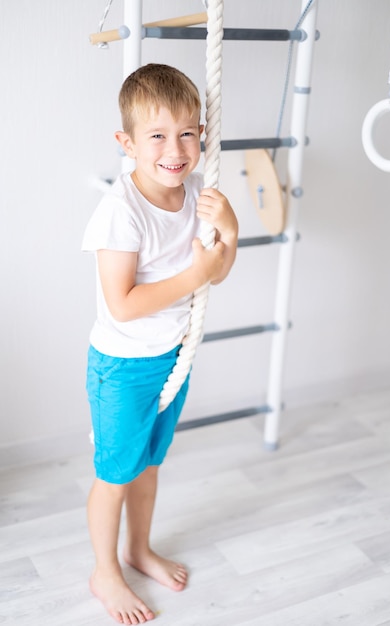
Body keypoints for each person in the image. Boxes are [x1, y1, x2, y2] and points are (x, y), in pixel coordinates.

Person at [82, 63, 238, 625]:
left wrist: (232, 229)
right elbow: (122, 303)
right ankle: (105, 571)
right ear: (126, 143)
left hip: (170, 358)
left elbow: (216, 270)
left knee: (148, 467)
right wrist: (195, 277)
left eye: (188, 133)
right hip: (123, 367)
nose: (176, 148)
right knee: (115, 474)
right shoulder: (120, 213)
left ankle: (138, 548)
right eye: (157, 135)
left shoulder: (195, 191)